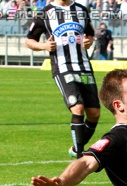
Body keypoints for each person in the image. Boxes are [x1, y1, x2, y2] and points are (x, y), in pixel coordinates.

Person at [25, 0, 100, 159]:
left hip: (84, 67)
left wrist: (89, 42)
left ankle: (75, 148)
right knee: (77, 108)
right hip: (63, 67)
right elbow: (29, 40)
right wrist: (44, 46)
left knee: (94, 114)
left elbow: (90, 35)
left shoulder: (81, 10)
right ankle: (80, 155)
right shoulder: (45, 13)